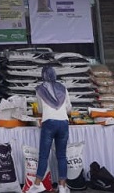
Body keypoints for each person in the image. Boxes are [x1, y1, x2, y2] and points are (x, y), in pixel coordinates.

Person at [28, 65, 72, 193]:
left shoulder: (39, 89)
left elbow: (40, 109)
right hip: (63, 122)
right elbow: (69, 108)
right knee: (61, 156)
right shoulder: (63, 88)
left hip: (49, 123)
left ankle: (37, 184)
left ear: (42, 76)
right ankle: (62, 187)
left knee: (44, 155)